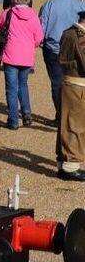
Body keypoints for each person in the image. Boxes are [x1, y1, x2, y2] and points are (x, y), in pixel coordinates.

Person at [0, 0, 45, 130]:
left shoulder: (8, 13)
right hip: (27, 56)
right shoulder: (33, 15)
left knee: (11, 89)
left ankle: (13, 120)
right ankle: (27, 114)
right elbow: (39, 37)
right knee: (23, 85)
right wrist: (31, 45)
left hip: (11, 55)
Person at [38, 0, 85, 123]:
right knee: (77, 82)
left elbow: (41, 29)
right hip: (77, 49)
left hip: (54, 49)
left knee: (57, 83)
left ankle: (61, 116)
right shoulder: (81, 6)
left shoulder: (48, 5)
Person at [57, 10, 85, 181]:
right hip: (77, 85)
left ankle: (63, 162)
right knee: (75, 125)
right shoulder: (80, 38)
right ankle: (71, 166)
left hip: (69, 83)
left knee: (65, 123)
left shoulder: (68, 33)